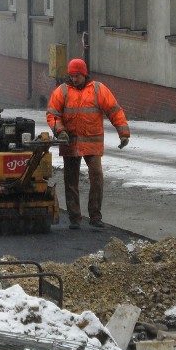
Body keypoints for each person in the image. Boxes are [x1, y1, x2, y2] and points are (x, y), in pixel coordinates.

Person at [46, 58, 131, 230]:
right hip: (70, 143)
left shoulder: (98, 89)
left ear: (84, 74)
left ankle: (95, 216)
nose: (74, 79)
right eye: (72, 75)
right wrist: (60, 130)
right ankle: (74, 218)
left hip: (92, 144)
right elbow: (52, 115)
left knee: (97, 178)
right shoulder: (62, 91)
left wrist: (123, 133)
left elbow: (115, 110)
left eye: (77, 75)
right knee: (71, 181)